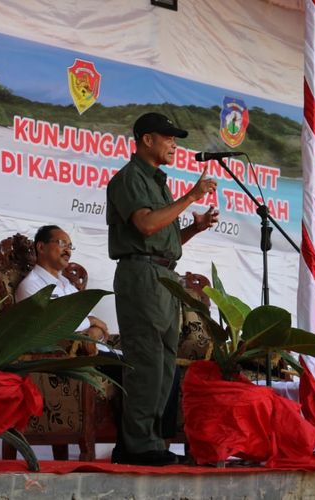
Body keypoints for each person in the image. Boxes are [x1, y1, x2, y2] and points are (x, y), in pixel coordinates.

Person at [106, 112, 218, 466]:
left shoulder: (157, 181)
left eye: (176, 138)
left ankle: (148, 441)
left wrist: (194, 229)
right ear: (146, 139)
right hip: (141, 277)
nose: (174, 144)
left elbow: (163, 239)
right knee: (146, 360)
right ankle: (138, 446)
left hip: (164, 276)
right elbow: (146, 225)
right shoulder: (130, 178)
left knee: (165, 363)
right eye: (168, 137)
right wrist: (190, 197)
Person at [16, 225, 109, 347]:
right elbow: (53, 327)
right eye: (62, 243)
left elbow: (95, 320)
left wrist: (90, 333)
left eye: (70, 246)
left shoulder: (68, 284)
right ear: (41, 247)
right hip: (55, 360)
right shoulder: (31, 285)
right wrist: (91, 322)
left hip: (90, 355)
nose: (68, 251)